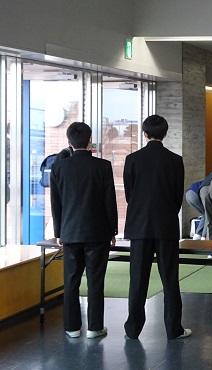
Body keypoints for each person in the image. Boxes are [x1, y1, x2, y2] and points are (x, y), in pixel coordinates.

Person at [123, 115, 190, 340]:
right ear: (165, 133)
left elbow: (130, 194)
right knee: (170, 278)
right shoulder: (175, 160)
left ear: (145, 134)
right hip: (166, 226)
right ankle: (174, 329)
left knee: (137, 279)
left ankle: (133, 329)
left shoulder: (132, 159)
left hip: (139, 227)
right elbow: (177, 197)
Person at [50, 122, 118, 339]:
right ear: (90, 141)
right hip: (98, 232)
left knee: (71, 281)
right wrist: (113, 230)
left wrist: (58, 232)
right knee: (95, 280)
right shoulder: (103, 166)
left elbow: (55, 203)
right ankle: (94, 327)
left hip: (70, 232)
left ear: (69, 142)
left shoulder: (59, 167)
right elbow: (109, 201)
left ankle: (72, 327)